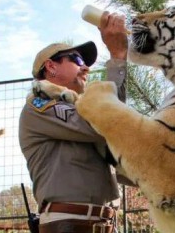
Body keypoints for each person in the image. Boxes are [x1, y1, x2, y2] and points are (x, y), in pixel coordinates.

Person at [18, 12, 128, 233]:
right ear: (51, 67)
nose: (86, 68)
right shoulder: (39, 107)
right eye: (77, 60)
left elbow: (116, 124)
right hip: (69, 225)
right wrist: (117, 56)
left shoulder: (79, 110)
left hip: (102, 223)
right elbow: (103, 123)